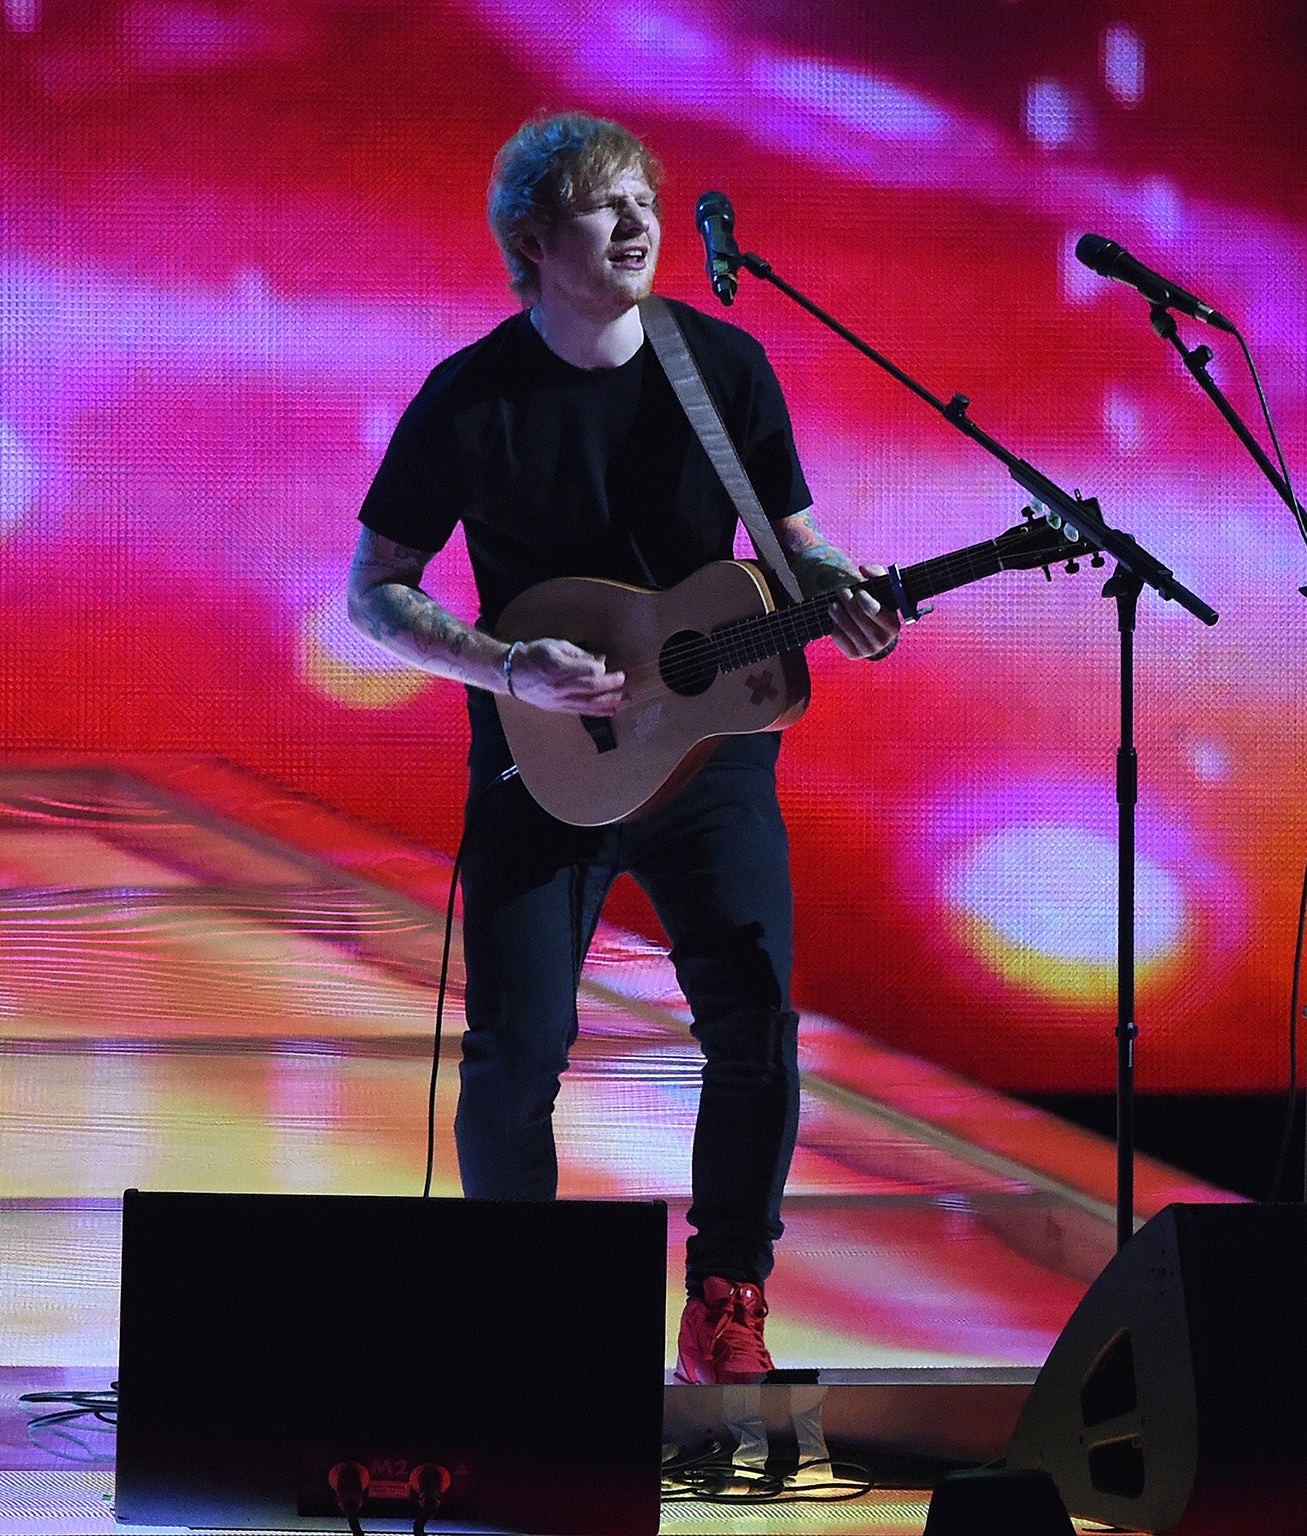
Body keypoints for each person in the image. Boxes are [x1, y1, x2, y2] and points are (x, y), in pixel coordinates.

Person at [346, 112, 900, 1384]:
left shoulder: (722, 365)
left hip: (711, 759)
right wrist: (502, 664)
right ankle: (515, 1319)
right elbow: (375, 590)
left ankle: (726, 1296)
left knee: (753, 1021)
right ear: (534, 242)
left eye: (646, 197)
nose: (641, 222)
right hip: (548, 765)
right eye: (608, 206)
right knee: (516, 1050)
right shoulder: (470, 398)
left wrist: (838, 591)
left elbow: (791, 538)